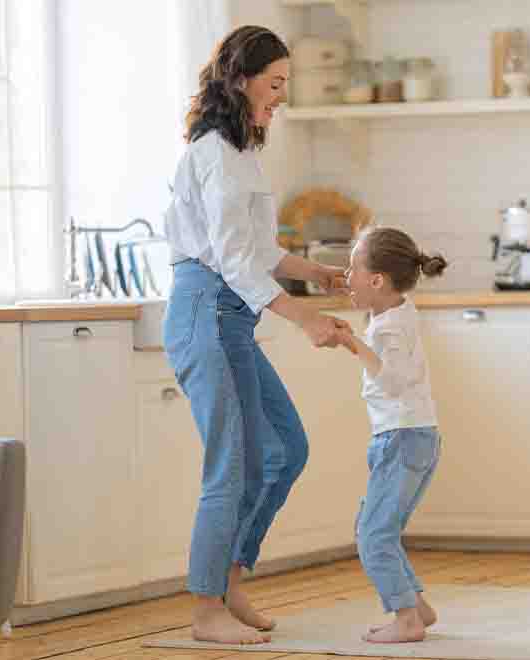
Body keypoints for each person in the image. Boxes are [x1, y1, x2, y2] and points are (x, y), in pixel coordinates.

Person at [162, 25, 353, 645]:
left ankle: (230, 578)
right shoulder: (214, 151)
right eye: (274, 84)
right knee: (232, 464)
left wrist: (314, 272)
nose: (281, 97)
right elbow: (230, 259)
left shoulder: (244, 151)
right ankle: (204, 608)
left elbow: (258, 251)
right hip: (205, 311)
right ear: (240, 80)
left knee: (285, 449)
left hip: (232, 315)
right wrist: (304, 319)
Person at [339, 227, 447, 643]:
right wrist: (352, 300)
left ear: (378, 280)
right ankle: (417, 606)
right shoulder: (398, 312)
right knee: (383, 528)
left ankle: (405, 619)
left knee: (372, 535)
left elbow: (394, 381)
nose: (347, 277)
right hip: (417, 436)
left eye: (352, 270)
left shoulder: (385, 330)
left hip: (400, 439)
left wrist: (350, 342)